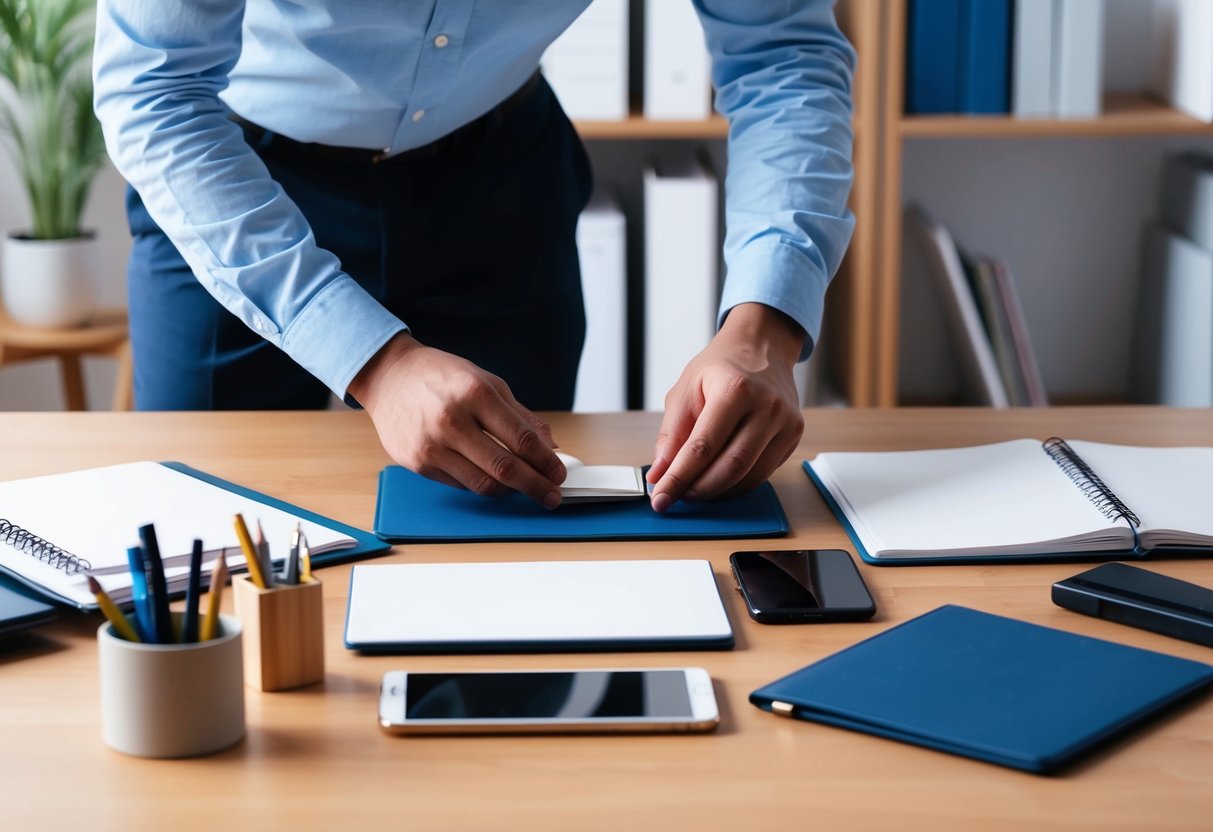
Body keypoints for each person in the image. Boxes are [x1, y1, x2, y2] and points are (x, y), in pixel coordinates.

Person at [93, 1, 855, 513]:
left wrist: (765, 324)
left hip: (499, 171)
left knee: (520, 523)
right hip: (238, 181)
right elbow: (154, 88)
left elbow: (782, 52)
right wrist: (378, 363)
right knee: (202, 538)